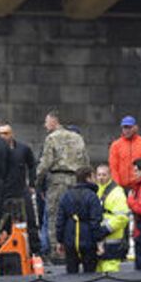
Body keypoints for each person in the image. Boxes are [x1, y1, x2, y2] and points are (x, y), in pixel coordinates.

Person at [37, 110, 89, 259]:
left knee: (54, 216)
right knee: (75, 216)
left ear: (54, 121)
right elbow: (85, 162)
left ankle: (57, 253)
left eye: (46, 121)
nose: (45, 125)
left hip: (57, 181)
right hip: (76, 182)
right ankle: (75, 250)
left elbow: (45, 164)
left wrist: (38, 183)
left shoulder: (52, 138)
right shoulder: (78, 138)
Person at [56, 166, 107, 274]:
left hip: (70, 240)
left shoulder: (66, 195)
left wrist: (60, 240)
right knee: (89, 274)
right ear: (88, 178)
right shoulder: (92, 196)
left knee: (71, 273)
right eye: (93, 177)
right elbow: (95, 221)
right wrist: (99, 241)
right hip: (88, 240)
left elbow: (60, 220)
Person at [0, 121, 40, 249]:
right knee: (4, 223)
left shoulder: (23, 149)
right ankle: (5, 248)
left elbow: (32, 166)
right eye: (0, 134)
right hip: (3, 191)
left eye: (5, 133)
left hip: (21, 189)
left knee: (30, 220)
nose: (3, 136)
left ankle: (35, 249)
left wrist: (32, 184)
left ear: (11, 134)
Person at [108, 115, 141, 191]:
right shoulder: (115, 145)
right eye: (124, 127)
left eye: (129, 127)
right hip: (123, 187)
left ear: (136, 128)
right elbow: (113, 168)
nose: (127, 130)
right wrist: (117, 187)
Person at [95, 163, 130, 274]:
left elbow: (123, 217)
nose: (101, 177)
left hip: (112, 239)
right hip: (98, 239)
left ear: (110, 175)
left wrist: (106, 229)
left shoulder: (117, 192)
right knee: (97, 270)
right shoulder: (96, 190)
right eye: (99, 175)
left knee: (111, 270)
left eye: (104, 175)